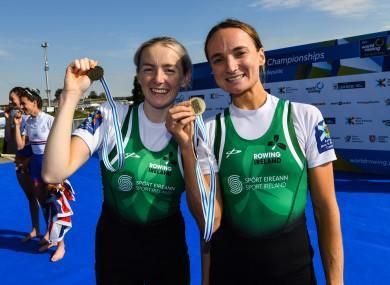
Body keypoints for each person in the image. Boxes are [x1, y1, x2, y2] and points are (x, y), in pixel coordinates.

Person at [167, 19, 344, 284]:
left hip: (294, 273)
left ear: (261, 56)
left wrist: (336, 281)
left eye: (240, 53)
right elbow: (209, 222)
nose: (230, 66)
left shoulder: (304, 117)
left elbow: (325, 208)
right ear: (213, 70)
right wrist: (186, 148)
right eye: (218, 59)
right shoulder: (210, 131)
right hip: (230, 272)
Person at [42, 37, 201, 284]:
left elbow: (206, 214)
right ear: (138, 76)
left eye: (170, 70)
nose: (159, 78)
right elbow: (54, 173)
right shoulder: (110, 116)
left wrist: (187, 147)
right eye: (148, 69)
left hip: (168, 242)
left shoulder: (196, 130)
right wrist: (70, 97)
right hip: (116, 241)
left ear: (185, 77)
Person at [14, 88, 69, 262]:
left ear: (34, 102)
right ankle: (52, 238)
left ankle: (61, 245)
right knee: (44, 204)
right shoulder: (27, 121)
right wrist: (16, 125)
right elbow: (21, 145)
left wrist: (61, 172)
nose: (21, 107)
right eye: (20, 103)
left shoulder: (49, 120)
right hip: (37, 166)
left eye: (24, 103)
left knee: (55, 205)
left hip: (51, 164)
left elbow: (62, 144)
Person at [4, 87, 37, 242]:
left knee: (44, 198)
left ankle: (53, 233)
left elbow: (31, 144)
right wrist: (8, 120)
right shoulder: (15, 117)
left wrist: (29, 161)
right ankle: (35, 229)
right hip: (19, 163)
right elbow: (10, 142)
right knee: (30, 197)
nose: (10, 102)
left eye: (13, 99)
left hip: (32, 161)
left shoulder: (30, 118)